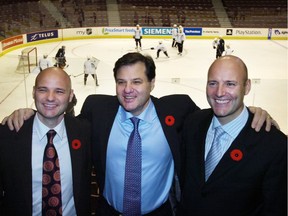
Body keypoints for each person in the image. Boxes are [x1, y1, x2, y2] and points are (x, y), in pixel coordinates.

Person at [1, 53, 276, 216]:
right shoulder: (98, 111)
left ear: (152, 83)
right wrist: (27, 113)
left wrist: (251, 112)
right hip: (108, 211)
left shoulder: (178, 110)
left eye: (136, 81)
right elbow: (57, 117)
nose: (128, 89)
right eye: (121, 82)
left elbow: (220, 110)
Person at [178, 55, 287, 216]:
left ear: (247, 87)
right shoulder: (192, 123)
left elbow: (275, 208)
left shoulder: (274, 145)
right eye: (213, 83)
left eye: (230, 84)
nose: (219, 92)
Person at [0, 67, 92, 215]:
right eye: (43, 90)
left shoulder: (84, 131)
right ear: (33, 92)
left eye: (59, 91)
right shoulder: (6, 135)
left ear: (70, 96)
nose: (50, 97)